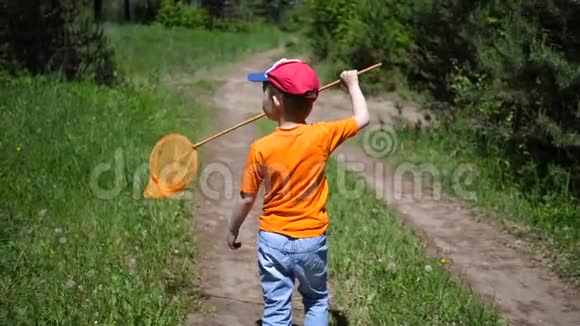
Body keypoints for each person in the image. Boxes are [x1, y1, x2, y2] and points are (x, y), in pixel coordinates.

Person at [225, 58, 369, 326]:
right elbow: (362, 118)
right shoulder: (322, 135)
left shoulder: (261, 148)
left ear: (277, 101)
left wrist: (233, 229)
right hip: (311, 239)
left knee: (277, 308)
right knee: (315, 301)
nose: (263, 98)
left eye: (264, 91)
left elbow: (246, 198)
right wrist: (353, 84)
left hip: (273, 241)